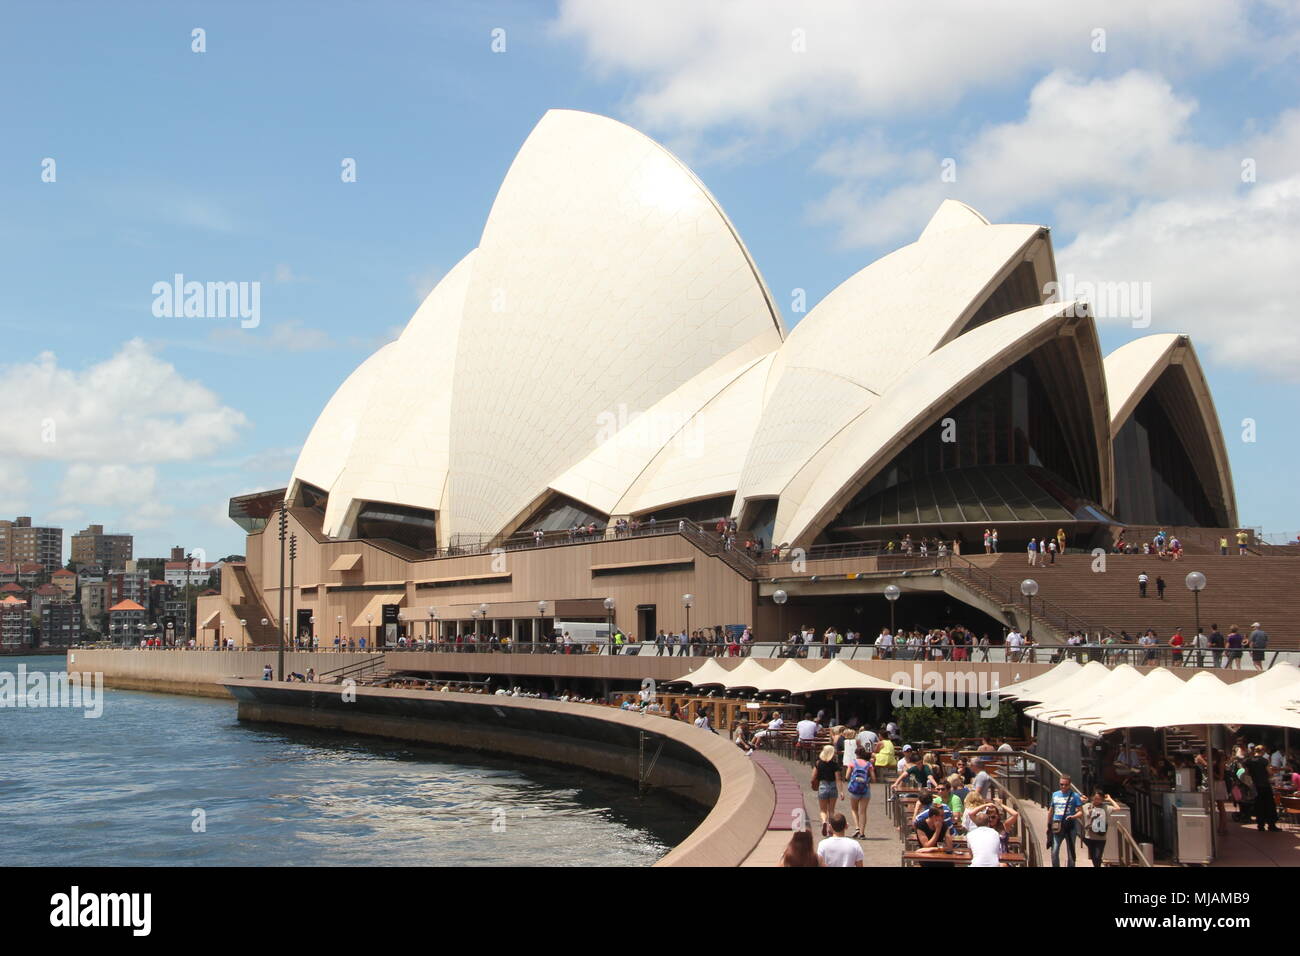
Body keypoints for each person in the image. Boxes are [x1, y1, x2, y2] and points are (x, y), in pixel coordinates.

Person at [1047, 775, 1084, 867]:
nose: (1063, 786)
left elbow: (1080, 812)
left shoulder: (1075, 796)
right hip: (1057, 826)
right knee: (1054, 851)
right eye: (1061, 784)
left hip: (1070, 827)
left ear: (1069, 785)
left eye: (1066, 785)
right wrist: (1048, 826)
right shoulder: (1055, 794)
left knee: (1071, 852)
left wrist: (1073, 816)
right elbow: (1050, 811)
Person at [1244, 745, 1279, 832]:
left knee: (1258, 805)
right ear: (1262, 751)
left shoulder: (1249, 761)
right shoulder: (1264, 761)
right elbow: (1270, 773)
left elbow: (1247, 773)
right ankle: (1271, 825)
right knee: (1269, 805)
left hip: (1255, 786)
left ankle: (1260, 825)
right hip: (1265, 785)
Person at [1080, 790, 1116, 867]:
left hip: (1100, 837)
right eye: (1095, 798)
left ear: (1102, 799)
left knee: (1097, 856)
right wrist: (1080, 800)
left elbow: (1117, 808)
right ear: (1092, 797)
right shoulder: (1087, 806)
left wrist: (1110, 799)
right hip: (1089, 836)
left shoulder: (1106, 807)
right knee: (1093, 857)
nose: (1097, 800)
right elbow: (1076, 809)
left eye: (1099, 799)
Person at [812, 746, 841, 836]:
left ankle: (824, 822)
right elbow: (838, 779)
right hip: (832, 787)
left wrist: (814, 785)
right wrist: (841, 791)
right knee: (831, 810)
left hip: (823, 786)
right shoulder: (835, 765)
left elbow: (813, 777)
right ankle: (831, 828)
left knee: (823, 810)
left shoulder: (818, 764)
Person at [845, 747, 873, 839]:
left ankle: (857, 827)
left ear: (856, 754)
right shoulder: (869, 764)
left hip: (855, 788)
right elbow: (874, 778)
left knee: (854, 809)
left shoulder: (853, 763)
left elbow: (847, 776)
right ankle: (862, 833)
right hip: (865, 789)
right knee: (863, 811)